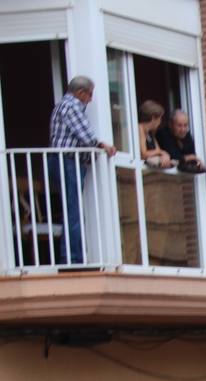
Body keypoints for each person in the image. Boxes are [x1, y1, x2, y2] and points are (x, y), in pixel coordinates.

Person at [48, 75, 117, 265]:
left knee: (72, 210)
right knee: (73, 212)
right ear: (80, 92)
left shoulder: (64, 105)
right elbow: (87, 136)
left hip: (66, 161)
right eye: (90, 94)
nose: (91, 99)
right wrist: (103, 146)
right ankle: (72, 259)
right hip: (67, 162)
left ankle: (72, 257)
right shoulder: (71, 106)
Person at [137, 100, 173, 168]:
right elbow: (143, 154)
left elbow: (157, 151)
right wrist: (161, 152)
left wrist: (164, 155)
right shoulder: (140, 128)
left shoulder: (150, 133)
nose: (160, 121)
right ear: (153, 118)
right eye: (160, 118)